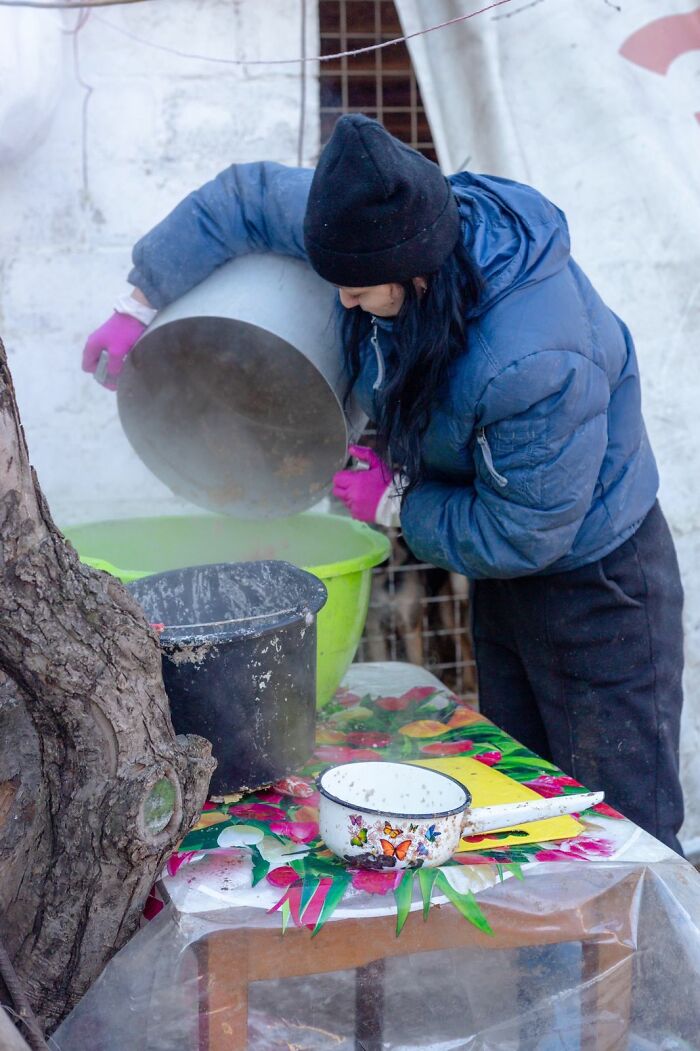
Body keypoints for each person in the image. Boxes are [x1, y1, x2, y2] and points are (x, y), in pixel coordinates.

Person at [82, 114, 685, 853]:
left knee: (619, 818)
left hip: (598, 583)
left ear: (419, 276)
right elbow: (240, 198)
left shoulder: (533, 357)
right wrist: (139, 303)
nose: (344, 303)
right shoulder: (369, 208)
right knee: (528, 797)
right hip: (509, 573)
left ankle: (651, 963)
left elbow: (526, 530)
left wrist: (396, 504)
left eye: (362, 292)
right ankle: (547, 965)